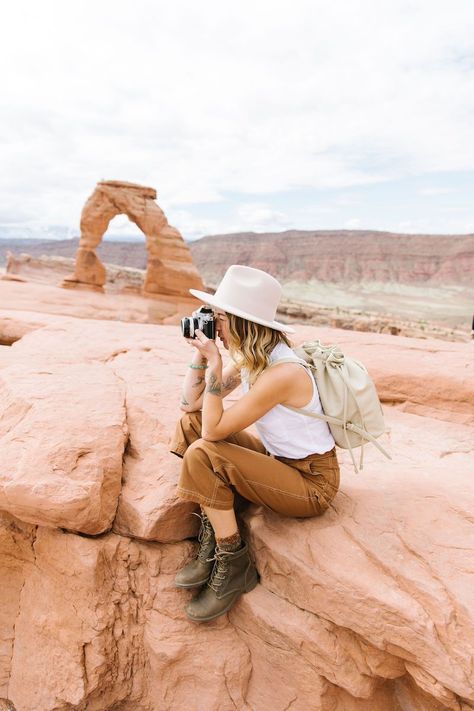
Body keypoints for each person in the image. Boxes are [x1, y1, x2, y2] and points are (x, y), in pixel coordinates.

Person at [169, 265, 340, 623]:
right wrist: (201, 356)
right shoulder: (253, 359)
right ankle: (215, 530)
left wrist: (216, 363)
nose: (213, 326)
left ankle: (234, 564)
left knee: (203, 448)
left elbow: (214, 433)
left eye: (219, 318)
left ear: (244, 322)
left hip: (310, 484)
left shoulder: (283, 373)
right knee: (190, 425)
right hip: (278, 463)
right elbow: (190, 406)